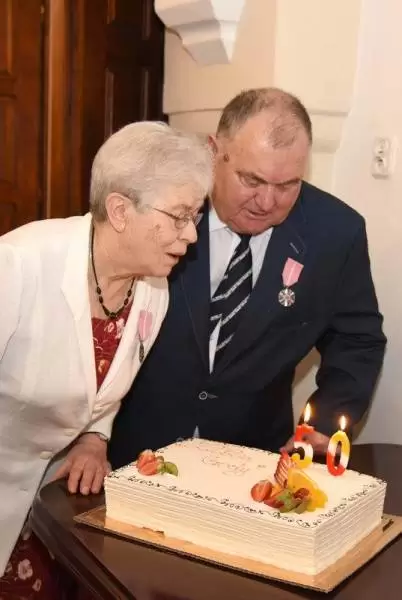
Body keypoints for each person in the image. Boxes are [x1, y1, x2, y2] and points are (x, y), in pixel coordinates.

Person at [109, 87, 386, 469]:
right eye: (252, 180)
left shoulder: (335, 235)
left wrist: (324, 423)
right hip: (138, 450)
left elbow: (357, 340)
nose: (267, 202)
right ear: (213, 152)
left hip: (253, 459)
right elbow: (104, 319)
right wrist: (92, 432)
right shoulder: (159, 210)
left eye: (288, 185)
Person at [0, 121, 213, 594]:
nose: (192, 236)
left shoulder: (153, 289)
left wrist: (94, 438)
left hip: (48, 511)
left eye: (196, 216)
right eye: (179, 216)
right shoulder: (18, 265)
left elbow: (100, 387)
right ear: (119, 210)